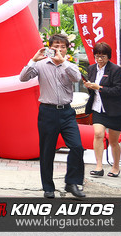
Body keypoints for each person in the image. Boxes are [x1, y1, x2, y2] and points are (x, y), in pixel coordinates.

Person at [19, 33, 85, 199]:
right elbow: (23, 78)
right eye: (56, 46)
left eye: (62, 47)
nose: (59, 49)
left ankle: (72, 182)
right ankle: (48, 187)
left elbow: (77, 78)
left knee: (77, 146)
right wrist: (33, 60)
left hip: (67, 112)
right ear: (50, 48)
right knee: (47, 151)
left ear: (66, 49)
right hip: (47, 112)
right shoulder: (41, 65)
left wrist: (63, 62)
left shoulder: (69, 65)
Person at [85, 42, 121, 178]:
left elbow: (117, 90)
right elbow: (91, 89)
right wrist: (89, 86)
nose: (100, 59)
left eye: (103, 56)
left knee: (113, 141)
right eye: (97, 56)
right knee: (98, 134)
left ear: (108, 57)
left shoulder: (116, 70)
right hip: (98, 108)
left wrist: (99, 87)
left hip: (116, 110)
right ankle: (99, 166)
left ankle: (116, 166)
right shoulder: (91, 68)